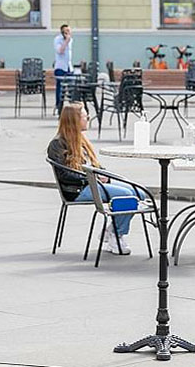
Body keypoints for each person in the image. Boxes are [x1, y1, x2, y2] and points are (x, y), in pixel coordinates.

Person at [47, 102, 142, 255]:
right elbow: (64, 174)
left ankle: (111, 230)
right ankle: (116, 236)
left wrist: (102, 174)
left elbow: (94, 165)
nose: (88, 119)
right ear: (74, 120)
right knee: (127, 195)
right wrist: (91, 178)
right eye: (85, 116)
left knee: (139, 193)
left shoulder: (81, 140)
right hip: (77, 190)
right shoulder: (57, 144)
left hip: (91, 184)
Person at [53, 24, 73, 113]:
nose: (68, 33)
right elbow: (60, 51)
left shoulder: (71, 40)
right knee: (60, 88)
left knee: (71, 86)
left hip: (68, 67)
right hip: (60, 67)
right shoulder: (57, 40)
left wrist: (68, 40)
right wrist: (65, 41)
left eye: (69, 31)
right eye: (66, 31)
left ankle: (72, 105)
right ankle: (59, 106)